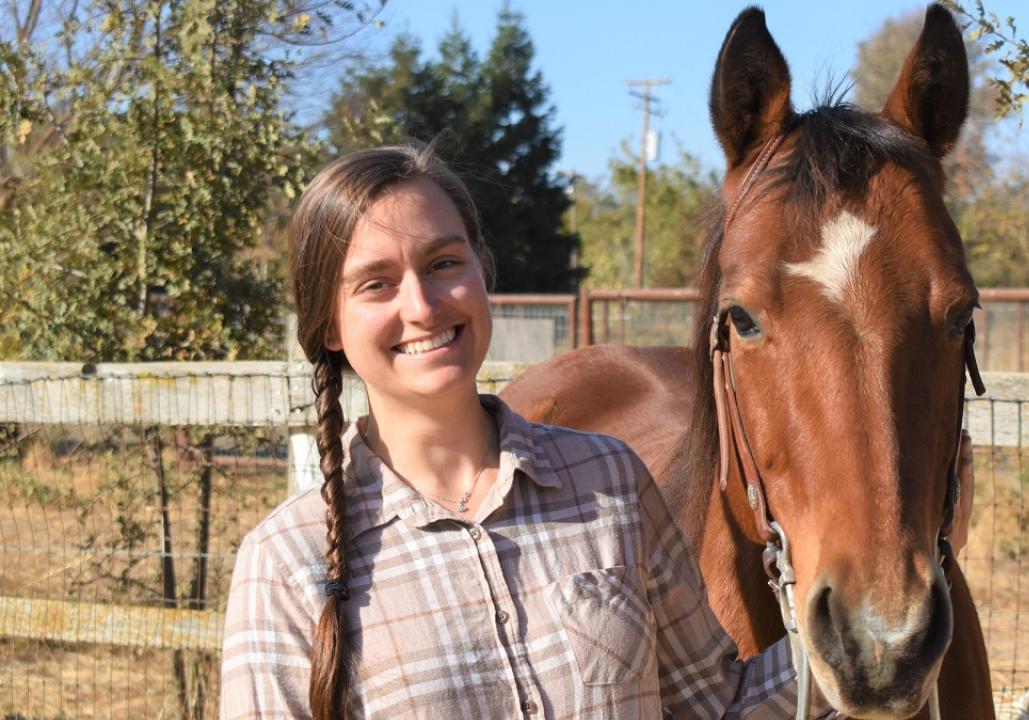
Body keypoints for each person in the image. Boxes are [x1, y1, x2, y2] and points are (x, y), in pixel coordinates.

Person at [219, 143, 975, 719]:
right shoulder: (283, 567)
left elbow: (721, 706)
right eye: (376, 283)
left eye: (444, 262)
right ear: (326, 324)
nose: (421, 305)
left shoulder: (609, 484)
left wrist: (899, 595)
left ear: (483, 272)